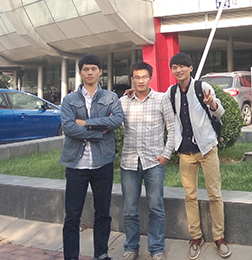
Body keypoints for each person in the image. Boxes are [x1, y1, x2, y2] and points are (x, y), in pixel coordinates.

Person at [60, 54, 124, 260]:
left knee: (103, 213)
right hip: (76, 165)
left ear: (100, 72)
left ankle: (101, 253)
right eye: (86, 69)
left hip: (102, 163)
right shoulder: (69, 100)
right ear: (80, 72)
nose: (90, 72)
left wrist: (86, 123)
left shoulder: (110, 97)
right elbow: (68, 128)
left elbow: (117, 120)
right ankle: (71, 256)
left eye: (93, 69)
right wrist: (98, 131)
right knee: (72, 216)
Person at [169, 53, 231, 259]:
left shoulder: (202, 87)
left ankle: (219, 237)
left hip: (207, 149)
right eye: (175, 67)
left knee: (215, 194)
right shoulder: (171, 92)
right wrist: (132, 93)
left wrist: (212, 103)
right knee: (190, 196)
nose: (178, 70)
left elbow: (220, 112)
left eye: (182, 66)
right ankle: (195, 237)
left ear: (190, 68)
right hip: (185, 152)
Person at [120, 61, 175, 260]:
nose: (141, 81)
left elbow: (172, 128)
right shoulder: (123, 101)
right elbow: (111, 121)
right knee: (129, 210)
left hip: (153, 163)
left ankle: (157, 249)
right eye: (137, 77)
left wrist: (166, 154)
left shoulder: (161, 99)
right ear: (131, 79)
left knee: (156, 208)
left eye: (144, 77)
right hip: (129, 163)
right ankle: (131, 247)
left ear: (150, 78)